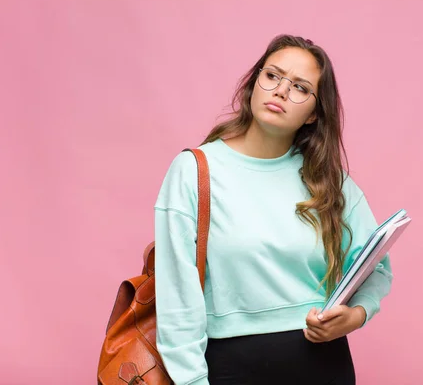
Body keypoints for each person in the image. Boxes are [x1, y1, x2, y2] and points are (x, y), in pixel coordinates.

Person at [154, 34, 393, 385]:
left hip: (324, 366)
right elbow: (176, 300)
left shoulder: (329, 182)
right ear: (253, 84)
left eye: (300, 87)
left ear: (314, 114)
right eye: (272, 76)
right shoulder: (195, 171)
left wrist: (357, 314)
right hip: (229, 368)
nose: (281, 91)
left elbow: (377, 265)